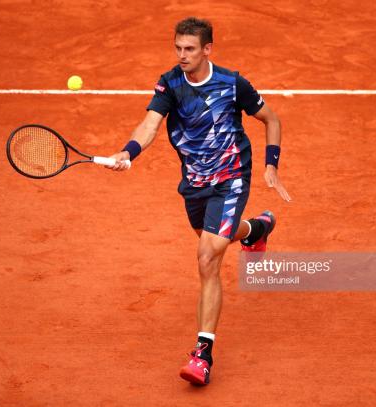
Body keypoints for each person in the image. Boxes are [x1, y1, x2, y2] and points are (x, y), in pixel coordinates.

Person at [106, 17, 291, 385]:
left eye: (189, 49)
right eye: (177, 48)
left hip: (231, 177)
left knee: (208, 256)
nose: (182, 55)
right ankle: (256, 229)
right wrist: (128, 152)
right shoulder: (170, 83)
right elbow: (149, 125)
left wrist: (271, 166)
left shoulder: (232, 82)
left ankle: (202, 355)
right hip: (194, 184)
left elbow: (271, 119)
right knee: (212, 237)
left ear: (207, 49)